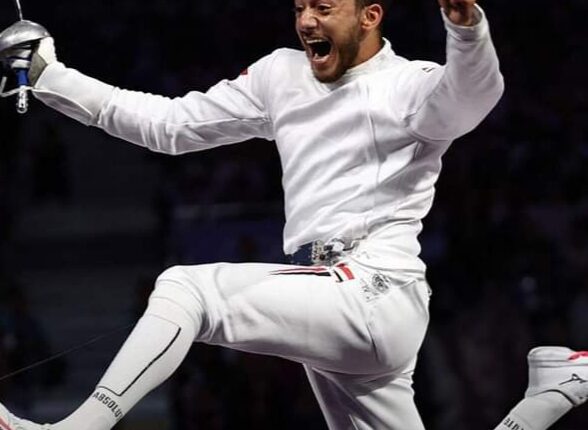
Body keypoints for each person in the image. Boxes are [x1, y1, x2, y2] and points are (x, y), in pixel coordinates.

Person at [0, 0, 586, 429]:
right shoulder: (281, 74)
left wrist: (466, 27)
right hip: (326, 298)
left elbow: (473, 96)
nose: (306, 21)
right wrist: (51, 76)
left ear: (370, 16)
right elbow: (168, 126)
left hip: (375, 293)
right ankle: (553, 394)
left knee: (188, 289)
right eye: (300, 7)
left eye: (323, 8)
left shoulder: (411, 85)